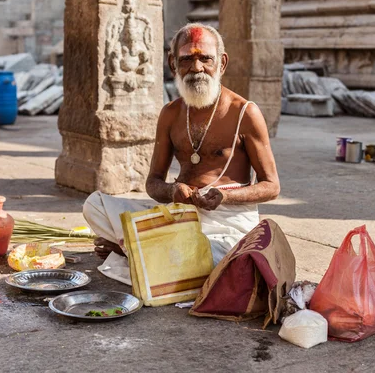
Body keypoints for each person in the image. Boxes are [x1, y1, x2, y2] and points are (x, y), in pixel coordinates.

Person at [83, 23, 280, 284]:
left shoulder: (245, 112)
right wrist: (172, 192)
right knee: (95, 205)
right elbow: (153, 183)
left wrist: (224, 195)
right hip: (179, 213)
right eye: (187, 59)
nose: (197, 68)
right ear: (173, 64)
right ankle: (148, 252)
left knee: (215, 258)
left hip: (227, 221)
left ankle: (135, 250)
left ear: (221, 63)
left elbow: (271, 186)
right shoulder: (171, 114)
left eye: (205, 59)